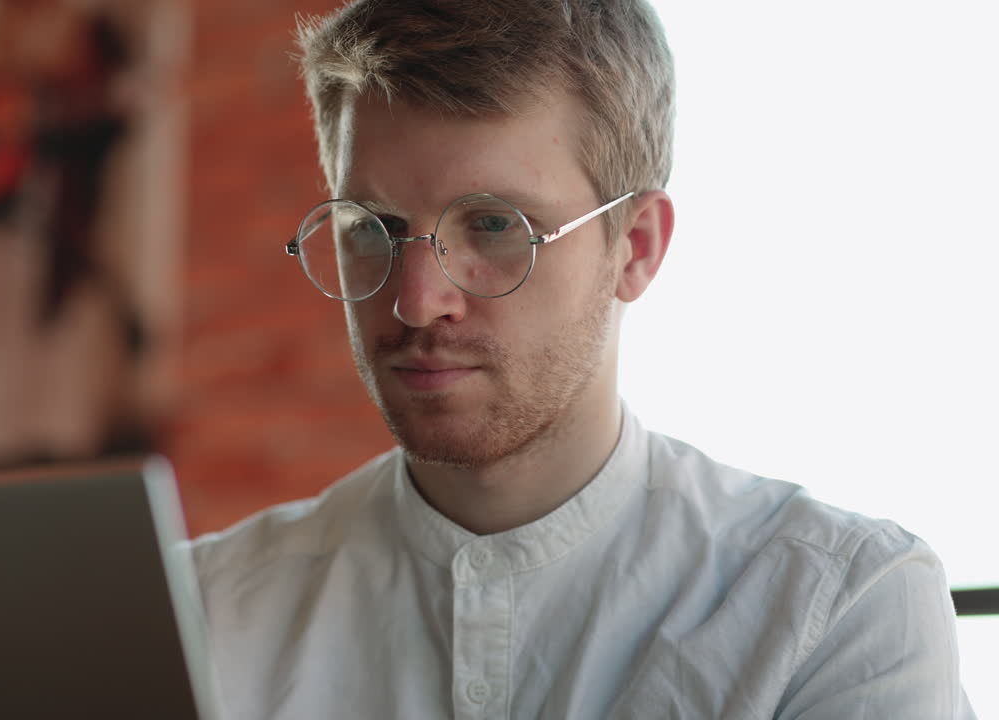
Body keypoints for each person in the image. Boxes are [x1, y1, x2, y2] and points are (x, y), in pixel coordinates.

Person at [190, 1, 975, 717]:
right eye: (372, 227)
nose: (418, 301)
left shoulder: (839, 607)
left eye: (494, 225)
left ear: (634, 248)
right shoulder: (194, 615)